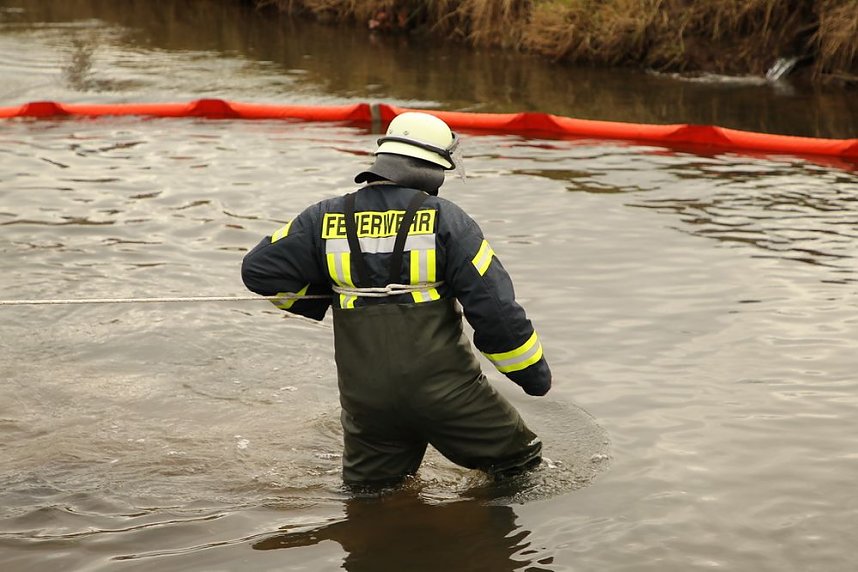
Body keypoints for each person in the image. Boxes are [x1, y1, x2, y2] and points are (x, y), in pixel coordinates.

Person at [241, 112, 551, 487]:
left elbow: (260, 272)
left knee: (372, 496)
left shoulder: (323, 217)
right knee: (523, 470)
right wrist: (533, 377)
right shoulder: (447, 220)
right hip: (448, 395)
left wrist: (327, 301)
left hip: (365, 401)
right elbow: (495, 311)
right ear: (433, 167)